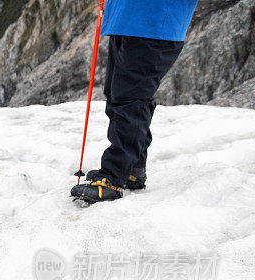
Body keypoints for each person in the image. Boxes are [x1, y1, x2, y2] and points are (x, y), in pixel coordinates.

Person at [71, 0, 199, 203]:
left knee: (130, 101)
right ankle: (132, 169)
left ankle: (113, 177)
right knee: (117, 95)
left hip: (153, 23)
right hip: (128, 19)